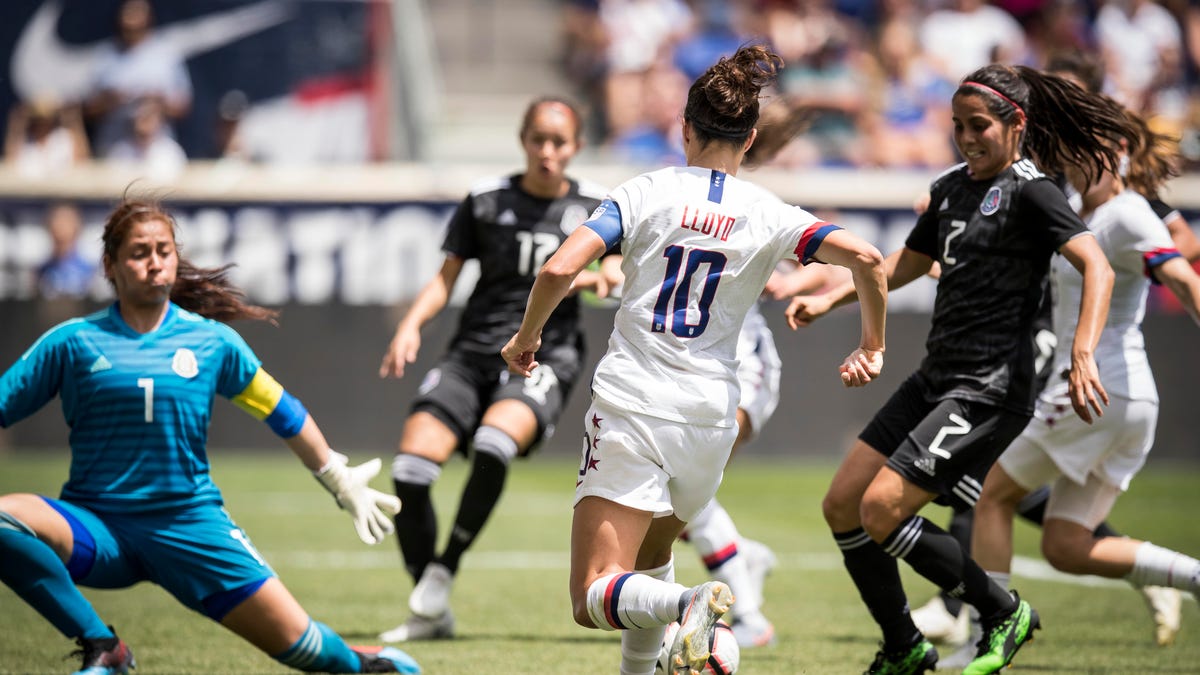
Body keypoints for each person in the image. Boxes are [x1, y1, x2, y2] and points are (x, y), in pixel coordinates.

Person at [502, 45, 888, 675]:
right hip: (710, 418)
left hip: (634, 404)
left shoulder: (646, 190)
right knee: (653, 558)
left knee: (594, 592)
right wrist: (872, 345)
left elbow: (558, 267)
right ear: (752, 137)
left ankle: (693, 606)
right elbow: (869, 260)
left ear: (685, 127)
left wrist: (525, 340)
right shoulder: (770, 213)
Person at [785, 63, 1138, 674]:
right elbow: (908, 264)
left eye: (979, 126)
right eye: (957, 126)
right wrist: (832, 296)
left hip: (990, 389)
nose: (967, 138)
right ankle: (903, 646)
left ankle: (1002, 613)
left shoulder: (1034, 190)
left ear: (1016, 124)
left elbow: (1097, 267)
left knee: (881, 509)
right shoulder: (951, 188)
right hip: (936, 378)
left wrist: (1082, 352)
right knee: (843, 504)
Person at [0, 198, 419, 674]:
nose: (154, 261)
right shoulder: (72, 341)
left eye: (164, 250)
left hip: (191, 528)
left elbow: (283, 412)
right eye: (139, 252)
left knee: (311, 653)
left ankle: (369, 666)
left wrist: (337, 478)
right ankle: (105, 648)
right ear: (110, 266)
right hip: (99, 529)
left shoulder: (212, 342)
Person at [911, 52, 1200, 651]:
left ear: (1113, 151)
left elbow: (1182, 276)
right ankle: (1188, 578)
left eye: (1078, 145)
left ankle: (985, 635)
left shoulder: (1125, 215)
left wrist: (1085, 355)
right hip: (1123, 398)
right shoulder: (1085, 212)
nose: (1065, 153)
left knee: (990, 490)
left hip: (1098, 387)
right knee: (1067, 546)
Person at [377, 96, 609, 643]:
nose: (548, 151)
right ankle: (429, 606)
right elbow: (444, 279)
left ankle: (445, 567)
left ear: (575, 147)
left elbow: (614, 267)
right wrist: (412, 324)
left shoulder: (597, 209)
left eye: (559, 142)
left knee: (493, 444)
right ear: (523, 140)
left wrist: (605, 278)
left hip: (543, 356)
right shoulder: (485, 200)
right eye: (538, 139)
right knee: (410, 470)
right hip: (473, 352)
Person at [84, 0, 193, 156]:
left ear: (149, 17)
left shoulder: (165, 54)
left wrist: (156, 99)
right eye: (128, 11)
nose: (132, 18)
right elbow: (88, 109)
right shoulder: (105, 56)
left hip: (154, 150)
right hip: (113, 148)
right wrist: (110, 100)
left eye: (138, 12)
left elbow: (183, 106)